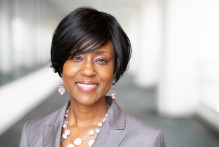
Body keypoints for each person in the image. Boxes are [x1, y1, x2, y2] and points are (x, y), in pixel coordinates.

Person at [19, 7, 166, 147]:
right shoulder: (32, 132)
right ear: (61, 64)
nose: (88, 70)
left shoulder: (147, 140)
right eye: (77, 58)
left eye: (101, 60)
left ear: (115, 68)